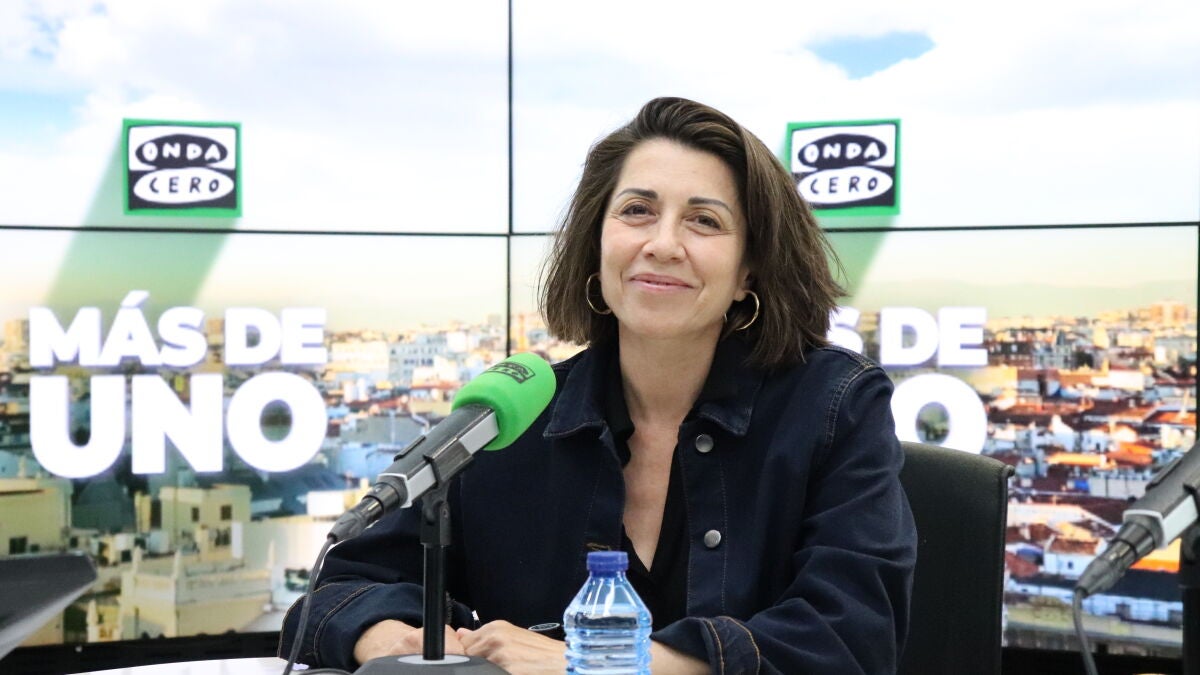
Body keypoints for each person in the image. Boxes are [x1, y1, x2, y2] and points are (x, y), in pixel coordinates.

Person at [280, 97, 916, 674]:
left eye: (703, 221)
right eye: (637, 211)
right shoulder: (516, 418)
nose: (662, 244)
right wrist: (391, 640)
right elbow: (336, 594)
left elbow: (852, 636)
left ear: (749, 270)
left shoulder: (833, 405)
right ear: (597, 243)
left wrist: (601, 665)